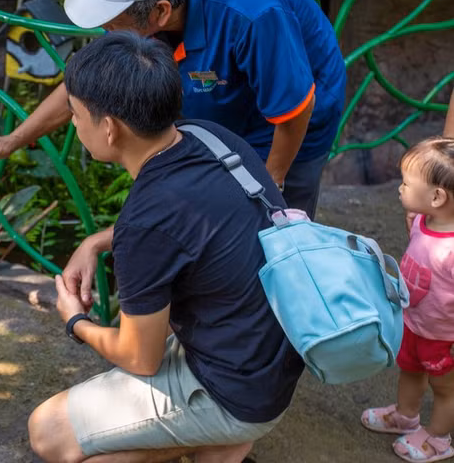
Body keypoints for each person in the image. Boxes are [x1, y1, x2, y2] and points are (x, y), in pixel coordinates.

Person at [27, 32, 304, 463]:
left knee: (48, 431)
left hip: (233, 386)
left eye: (76, 114)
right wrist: (98, 240)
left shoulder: (146, 221)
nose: (74, 124)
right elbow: (193, 227)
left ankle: (222, 434)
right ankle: (220, 443)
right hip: (274, 357)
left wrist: (75, 320)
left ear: (109, 128)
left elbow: (140, 358)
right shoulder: (211, 137)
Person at [0, 0, 346, 221]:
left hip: (290, 122)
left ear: (159, 12)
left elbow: (294, 108)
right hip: (221, 105)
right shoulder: (152, 13)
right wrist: (11, 141)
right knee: (213, 219)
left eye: (111, 20)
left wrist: (272, 180)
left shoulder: (252, 16)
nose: (103, 31)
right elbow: (83, 84)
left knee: (275, 227)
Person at [361, 137, 454, 463]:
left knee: (446, 390)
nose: (400, 189)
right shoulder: (422, 220)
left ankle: (439, 440)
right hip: (414, 322)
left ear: (437, 196)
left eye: (406, 183)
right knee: (410, 370)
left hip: (444, 337)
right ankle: (406, 415)